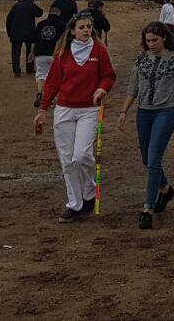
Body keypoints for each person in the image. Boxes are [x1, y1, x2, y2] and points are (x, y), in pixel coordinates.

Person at [114, 22, 174, 229]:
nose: (151, 44)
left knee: (154, 158)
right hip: (144, 111)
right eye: (148, 41)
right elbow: (133, 87)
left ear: (164, 38)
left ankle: (148, 207)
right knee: (147, 158)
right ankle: (165, 188)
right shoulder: (141, 58)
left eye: (155, 40)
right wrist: (123, 111)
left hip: (167, 110)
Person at [33, 12, 116, 222]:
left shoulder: (99, 50)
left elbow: (108, 75)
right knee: (67, 160)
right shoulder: (63, 53)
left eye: (89, 27)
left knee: (82, 155)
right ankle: (75, 204)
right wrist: (42, 109)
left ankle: (89, 192)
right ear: (72, 31)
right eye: (82, 27)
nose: (86, 30)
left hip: (89, 108)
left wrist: (102, 89)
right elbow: (52, 83)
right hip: (64, 109)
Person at [32, 3, 69, 109]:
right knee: (55, 78)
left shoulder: (40, 24)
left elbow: (35, 41)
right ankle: (52, 99)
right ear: (59, 14)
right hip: (55, 54)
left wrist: (32, 53)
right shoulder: (63, 25)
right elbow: (65, 40)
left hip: (40, 53)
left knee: (41, 75)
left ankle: (40, 93)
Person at [4, 0, 42, 78]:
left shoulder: (16, 6)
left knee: (15, 52)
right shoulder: (31, 5)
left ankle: (16, 71)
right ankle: (30, 68)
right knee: (30, 50)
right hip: (29, 32)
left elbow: (8, 19)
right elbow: (39, 13)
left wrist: (9, 32)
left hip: (16, 33)